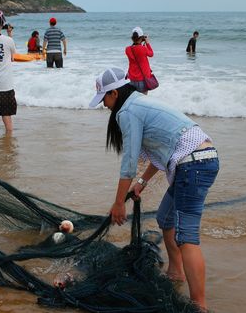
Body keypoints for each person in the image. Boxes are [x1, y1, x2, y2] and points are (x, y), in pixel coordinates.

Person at [89, 67, 219, 311]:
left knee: (186, 236)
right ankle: (175, 272)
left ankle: (199, 306)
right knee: (165, 219)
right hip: (197, 160)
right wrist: (142, 182)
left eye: (104, 99)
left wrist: (119, 203)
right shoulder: (139, 103)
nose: (104, 105)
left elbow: (129, 162)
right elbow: (165, 149)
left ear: (114, 93)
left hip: (193, 164)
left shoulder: (127, 111)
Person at [125, 27, 154, 93]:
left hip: (132, 78)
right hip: (142, 79)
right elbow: (151, 54)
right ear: (141, 38)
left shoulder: (127, 49)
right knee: (143, 99)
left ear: (132, 38)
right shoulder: (143, 49)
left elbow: (136, 50)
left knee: (134, 99)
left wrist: (141, 43)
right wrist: (147, 43)